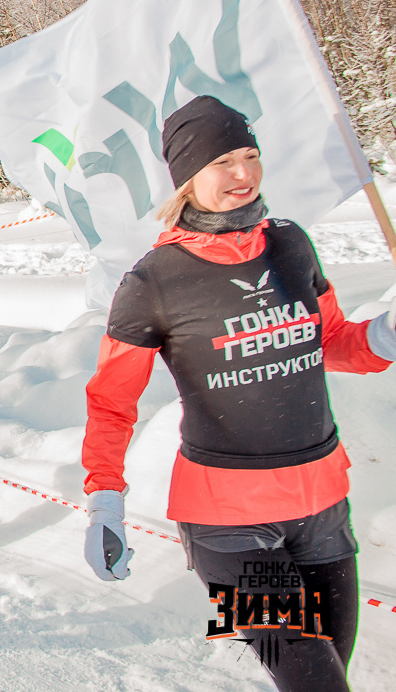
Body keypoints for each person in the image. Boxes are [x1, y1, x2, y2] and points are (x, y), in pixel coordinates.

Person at [82, 96, 395, 692]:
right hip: (227, 527)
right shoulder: (154, 279)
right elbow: (112, 399)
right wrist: (105, 498)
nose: (244, 173)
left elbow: (331, 343)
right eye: (222, 160)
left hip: (324, 505)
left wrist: (385, 333)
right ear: (186, 178)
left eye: (251, 154)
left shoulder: (291, 245)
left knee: (332, 676)